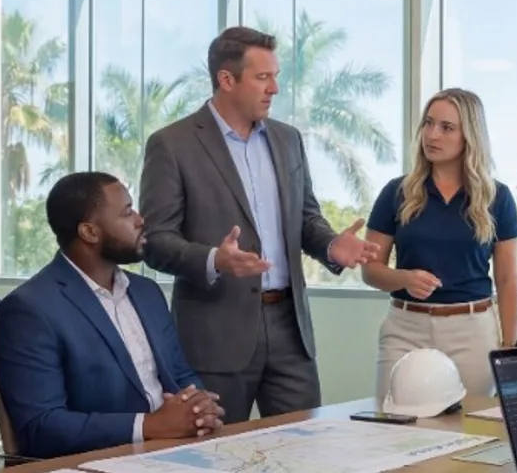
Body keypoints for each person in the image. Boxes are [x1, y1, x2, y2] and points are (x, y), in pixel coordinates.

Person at [139, 26, 378, 424]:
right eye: (263, 77)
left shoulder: (288, 140)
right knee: (216, 459)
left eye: (276, 76)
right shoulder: (172, 144)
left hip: (290, 329)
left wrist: (330, 245)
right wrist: (215, 259)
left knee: (303, 452)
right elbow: (155, 241)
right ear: (226, 80)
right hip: (216, 334)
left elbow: (306, 218)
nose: (275, 88)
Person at [0, 172, 224, 458]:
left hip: (174, 452)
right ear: (89, 232)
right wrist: (150, 425)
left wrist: (199, 407)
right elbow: (42, 426)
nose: (141, 220)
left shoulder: (147, 292)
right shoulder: (30, 310)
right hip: (97, 467)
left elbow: (180, 374)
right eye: (127, 212)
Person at [362, 89, 517, 403]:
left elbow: (507, 279)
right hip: (404, 328)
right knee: (388, 424)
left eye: (447, 127)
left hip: (472, 332)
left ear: (470, 136)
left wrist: (510, 343)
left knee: (467, 430)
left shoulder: (497, 197)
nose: (432, 135)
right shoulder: (396, 192)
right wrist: (404, 278)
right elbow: (370, 270)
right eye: (428, 123)